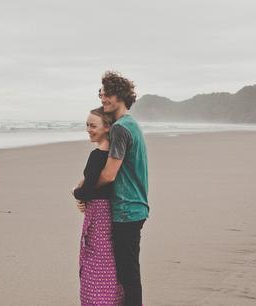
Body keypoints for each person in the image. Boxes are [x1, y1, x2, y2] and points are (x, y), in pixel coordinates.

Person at [96, 71, 149, 306]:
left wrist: (82, 191)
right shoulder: (131, 125)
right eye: (101, 93)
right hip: (135, 208)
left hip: (127, 210)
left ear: (119, 96)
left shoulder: (120, 128)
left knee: (128, 275)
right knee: (128, 273)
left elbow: (109, 174)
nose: (102, 97)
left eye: (106, 93)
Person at [72, 107, 124, 305]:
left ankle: (97, 300)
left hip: (98, 214)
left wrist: (76, 192)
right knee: (109, 258)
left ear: (107, 128)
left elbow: (88, 190)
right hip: (111, 210)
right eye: (87, 124)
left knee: (96, 258)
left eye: (93, 125)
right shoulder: (114, 155)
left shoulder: (97, 156)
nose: (88, 129)